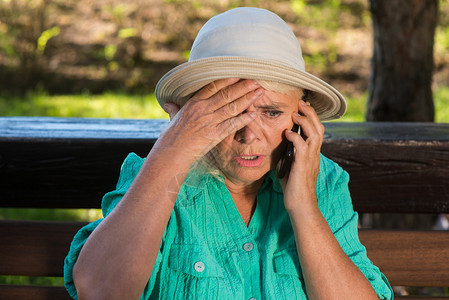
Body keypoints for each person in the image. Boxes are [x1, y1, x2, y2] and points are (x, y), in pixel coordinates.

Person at [64, 7, 393, 300]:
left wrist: (304, 207)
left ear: (302, 115)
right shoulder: (156, 174)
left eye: (271, 112)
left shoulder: (325, 182)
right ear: (194, 115)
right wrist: (171, 152)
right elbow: (99, 291)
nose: (248, 134)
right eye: (228, 113)